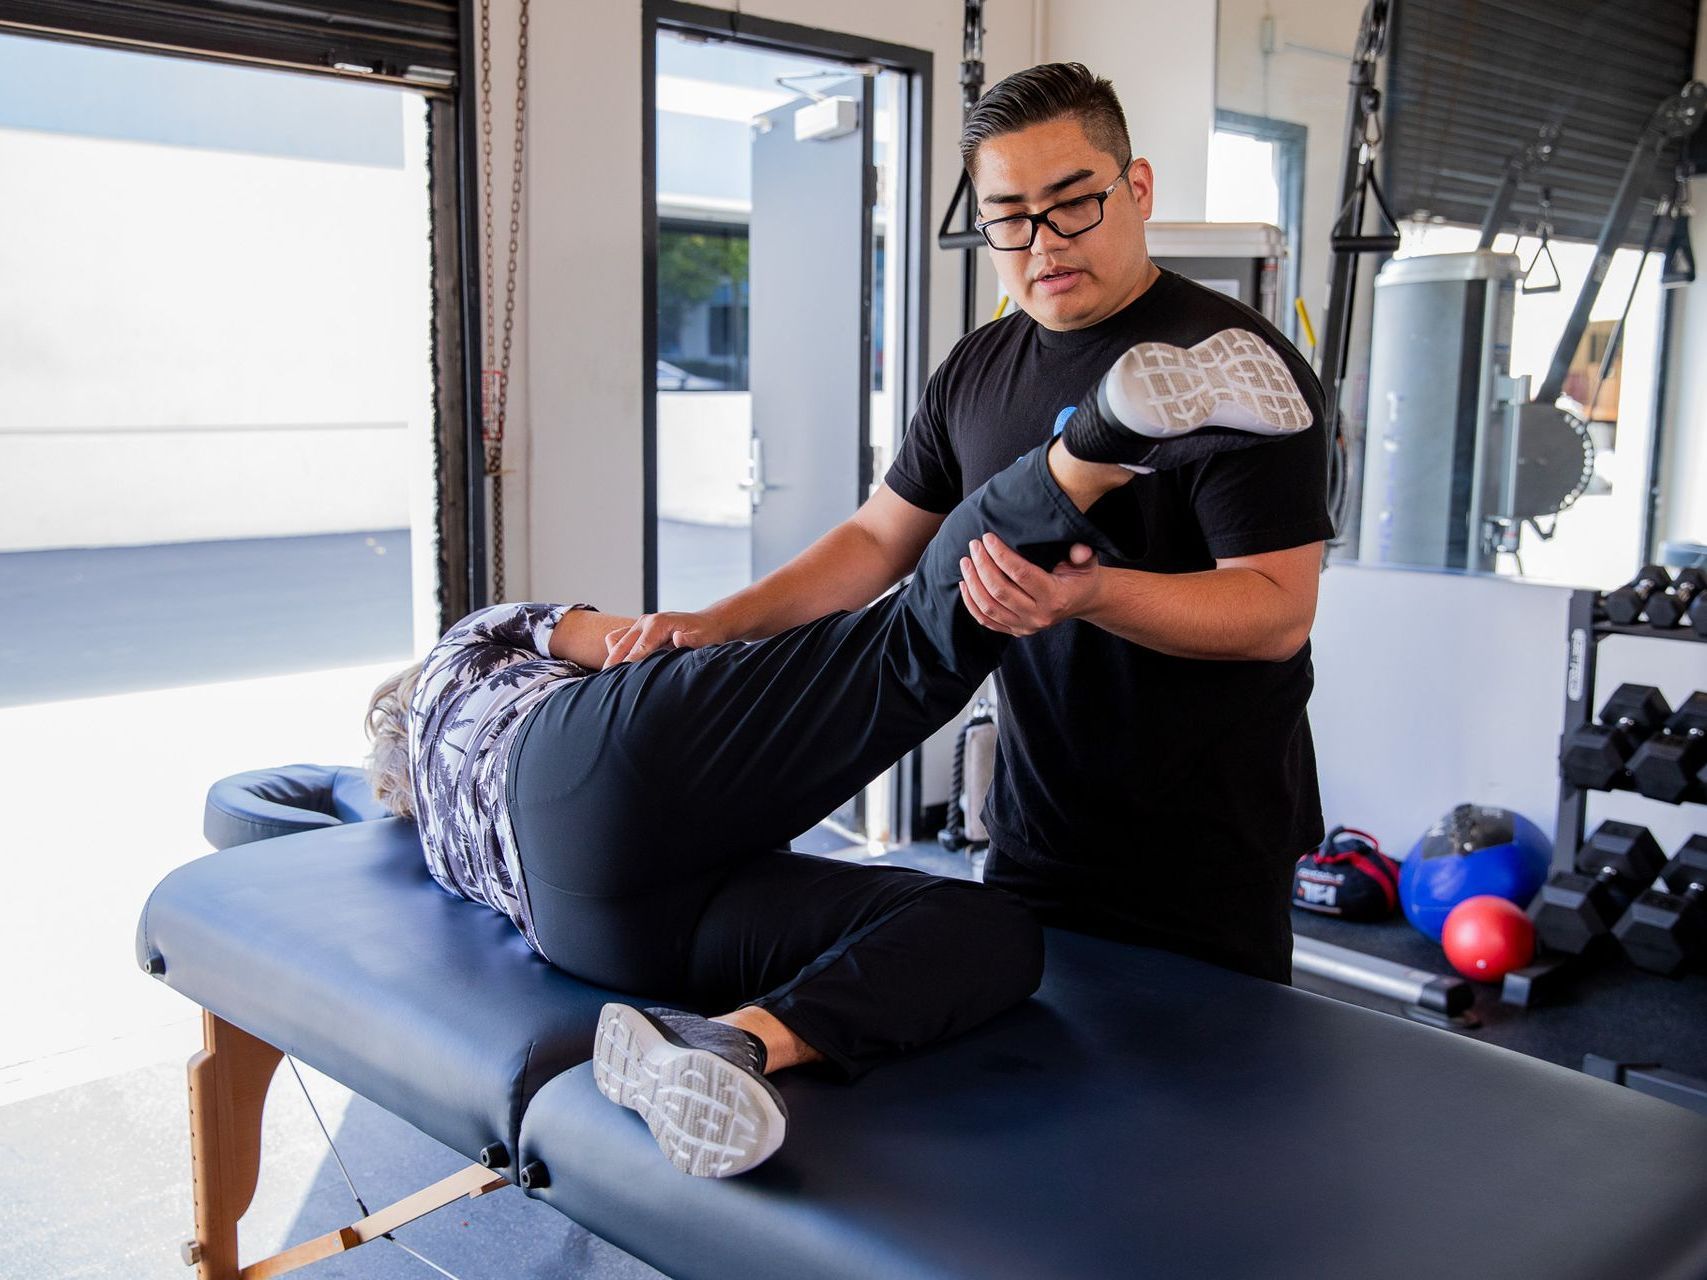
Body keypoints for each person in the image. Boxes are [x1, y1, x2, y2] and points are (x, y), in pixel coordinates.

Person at [364, 356, 1310, 1179]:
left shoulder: (442, 845)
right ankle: (1096, 443)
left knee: (983, 929)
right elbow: (628, 649)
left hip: (591, 926)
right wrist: (743, 681)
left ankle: (724, 1044)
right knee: (904, 653)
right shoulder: (468, 647)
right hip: (572, 757)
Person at [605, 62, 1332, 986]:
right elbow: (877, 539)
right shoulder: (977, 368)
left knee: (1198, 1112)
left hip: (1207, 843)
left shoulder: (1235, 366)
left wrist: (1091, 594)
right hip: (1039, 823)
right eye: (1008, 216)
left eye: (1073, 203)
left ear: (1136, 189)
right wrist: (717, 624)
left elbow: (1275, 613)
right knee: (1021, 1083)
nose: (1042, 242)